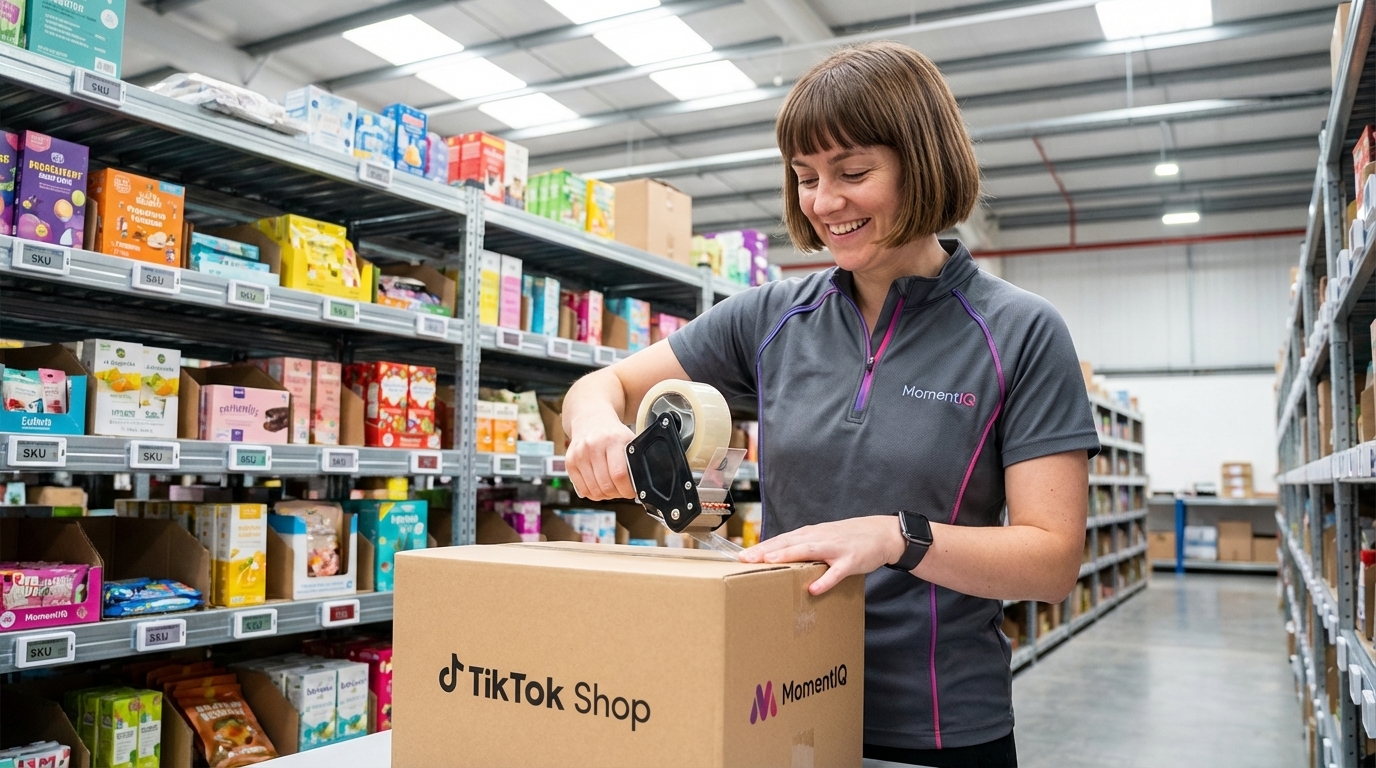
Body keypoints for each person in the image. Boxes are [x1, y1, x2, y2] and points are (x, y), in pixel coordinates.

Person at [561, 41, 1100, 768]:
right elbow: (603, 384)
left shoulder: (1020, 331)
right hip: (780, 700)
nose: (824, 202)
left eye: (853, 172)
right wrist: (595, 424)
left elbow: (1052, 558)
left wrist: (894, 538)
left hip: (936, 726)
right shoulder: (770, 317)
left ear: (924, 161)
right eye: (806, 177)